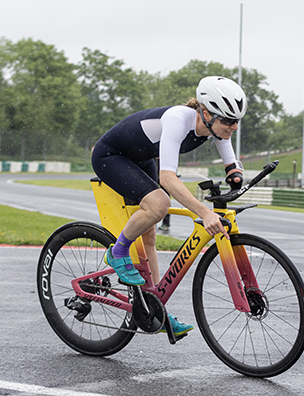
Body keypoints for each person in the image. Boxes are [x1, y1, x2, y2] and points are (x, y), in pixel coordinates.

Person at [91, 76, 246, 337]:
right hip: (111, 156)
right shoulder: (178, 119)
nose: (233, 127)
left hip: (139, 158)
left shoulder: (216, 128)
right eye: (228, 121)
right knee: (159, 203)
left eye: (236, 121)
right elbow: (167, 178)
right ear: (206, 113)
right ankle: (117, 252)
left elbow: (230, 160)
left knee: (149, 233)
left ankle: (154, 307)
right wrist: (204, 212)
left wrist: (235, 173)